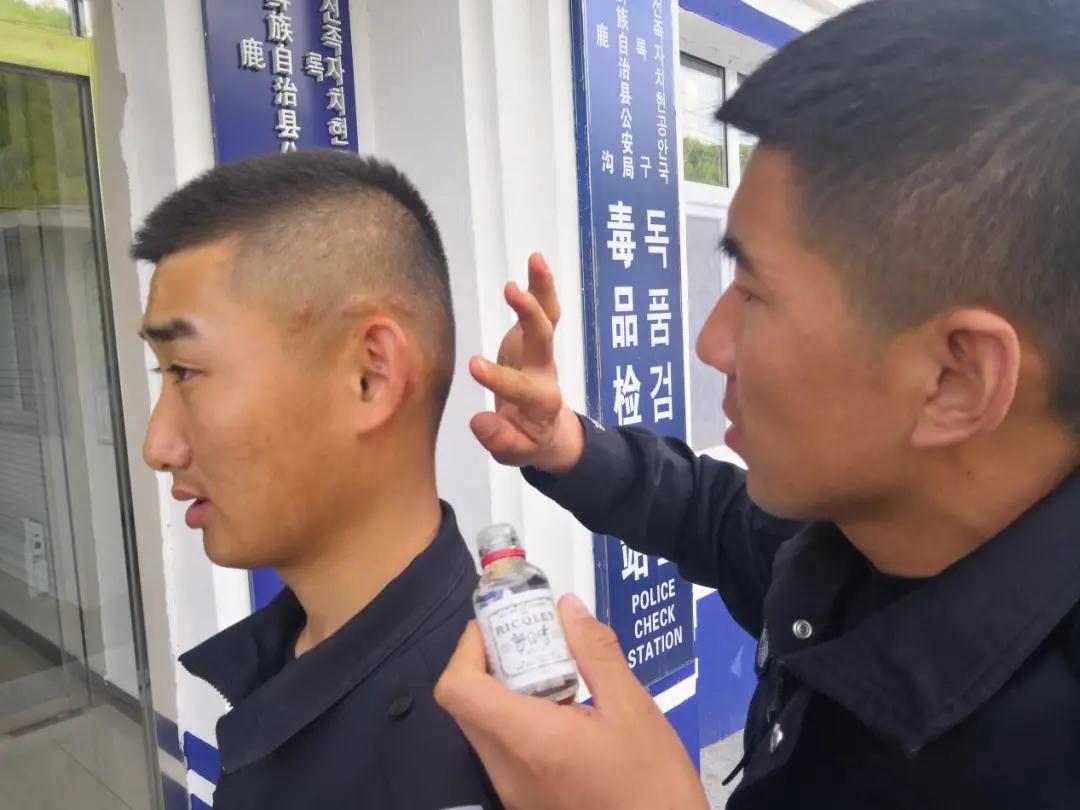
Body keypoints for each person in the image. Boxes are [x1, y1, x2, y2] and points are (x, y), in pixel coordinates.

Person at [435, 1, 1080, 808]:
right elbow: (714, 516)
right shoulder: (863, 546)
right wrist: (564, 444)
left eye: (753, 291)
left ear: (956, 380)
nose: (711, 342)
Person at [135, 151, 500, 809]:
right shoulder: (297, 652)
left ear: (369, 377)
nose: (156, 447)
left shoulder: (472, 754)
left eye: (185, 371)